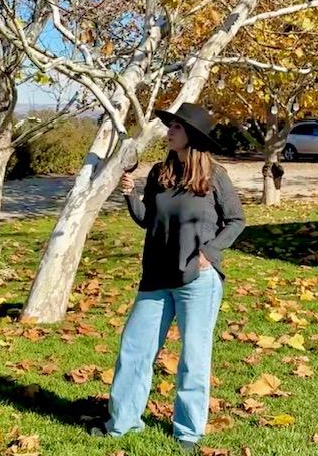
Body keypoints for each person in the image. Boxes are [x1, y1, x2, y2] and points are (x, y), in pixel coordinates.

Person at [90, 103, 245, 453]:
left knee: (193, 356)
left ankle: (188, 431)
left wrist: (210, 252)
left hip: (197, 280)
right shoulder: (160, 172)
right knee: (134, 350)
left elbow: (236, 221)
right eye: (170, 125)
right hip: (156, 276)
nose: (169, 130)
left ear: (192, 134)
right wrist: (130, 194)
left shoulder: (213, 176)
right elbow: (147, 220)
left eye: (176, 126)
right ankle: (122, 422)